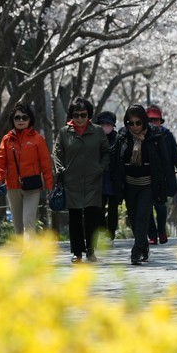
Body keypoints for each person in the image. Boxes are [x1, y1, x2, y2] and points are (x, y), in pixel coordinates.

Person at [111, 104, 172, 265]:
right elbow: (116, 160)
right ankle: (143, 245)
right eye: (131, 123)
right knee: (133, 219)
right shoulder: (123, 136)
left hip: (148, 184)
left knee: (142, 216)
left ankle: (136, 251)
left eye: (138, 123)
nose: (135, 127)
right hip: (129, 185)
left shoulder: (154, 136)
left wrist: (168, 182)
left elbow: (165, 161)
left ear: (144, 122)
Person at [53, 97, 110, 263]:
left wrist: (101, 167)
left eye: (83, 114)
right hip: (72, 181)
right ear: (71, 115)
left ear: (89, 115)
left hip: (93, 180)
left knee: (92, 216)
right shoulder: (64, 132)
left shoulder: (98, 131)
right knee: (75, 217)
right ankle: (77, 252)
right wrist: (60, 169)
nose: (79, 118)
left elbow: (106, 152)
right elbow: (57, 152)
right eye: (76, 115)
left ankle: (90, 250)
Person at [0, 102, 53, 242]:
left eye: (24, 118)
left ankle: (27, 254)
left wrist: (50, 185)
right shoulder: (6, 140)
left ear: (30, 119)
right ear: (12, 120)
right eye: (17, 118)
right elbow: (0, 162)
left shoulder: (38, 139)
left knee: (28, 220)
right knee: (18, 225)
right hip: (12, 187)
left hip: (32, 187)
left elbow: (45, 164)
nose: (21, 121)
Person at [146, 104, 177, 245]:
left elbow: (175, 154)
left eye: (156, 120)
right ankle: (151, 234)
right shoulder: (141, 136)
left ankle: (161, 230)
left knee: (161, 206)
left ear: (160, 121)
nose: (153, 123)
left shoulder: (167, 136)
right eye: (150, 120)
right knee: (147, 207)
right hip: (146, 176)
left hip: (162, 177)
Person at [96, 110, 119, 243]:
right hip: (99, 179)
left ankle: (110, 234)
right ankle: (103, 229)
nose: (105, 127)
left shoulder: (118, 139)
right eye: (103, 124)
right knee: (99, 206)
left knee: (113, 209)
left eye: (108, 124)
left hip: (114, 179)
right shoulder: (95, 138)